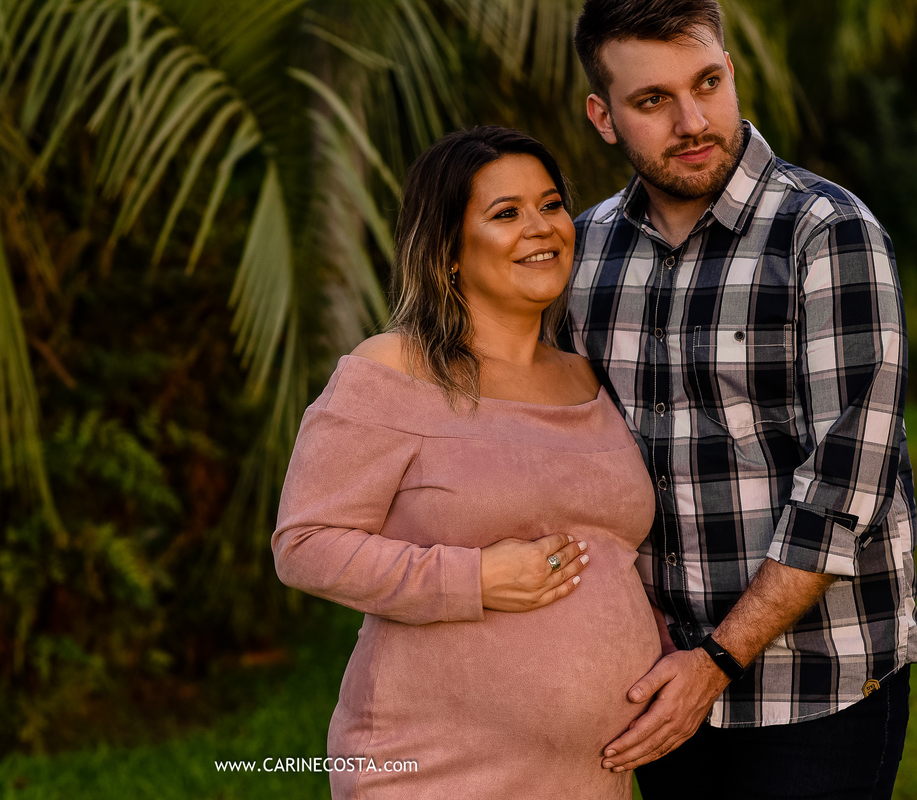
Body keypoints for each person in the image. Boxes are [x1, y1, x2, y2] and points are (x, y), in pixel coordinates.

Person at [567, 1, 917, 797]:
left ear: (730, 71)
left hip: (820, 686)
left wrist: (717, 661)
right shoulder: (585, 254)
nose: (693, 122)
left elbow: (845, 487)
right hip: (655, 683)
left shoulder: (827, 232)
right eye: (652, 100)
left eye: (707, 83)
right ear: (604, 117)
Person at [272, 126, 666, 799]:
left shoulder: (588, 377)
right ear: (448, 251)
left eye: (550, 205)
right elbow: (303, 544)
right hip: (435, 767)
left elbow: (615, 555)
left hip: (588, 779)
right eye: (506, 213)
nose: (541, 228)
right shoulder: (393, 369)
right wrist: (474, 578)